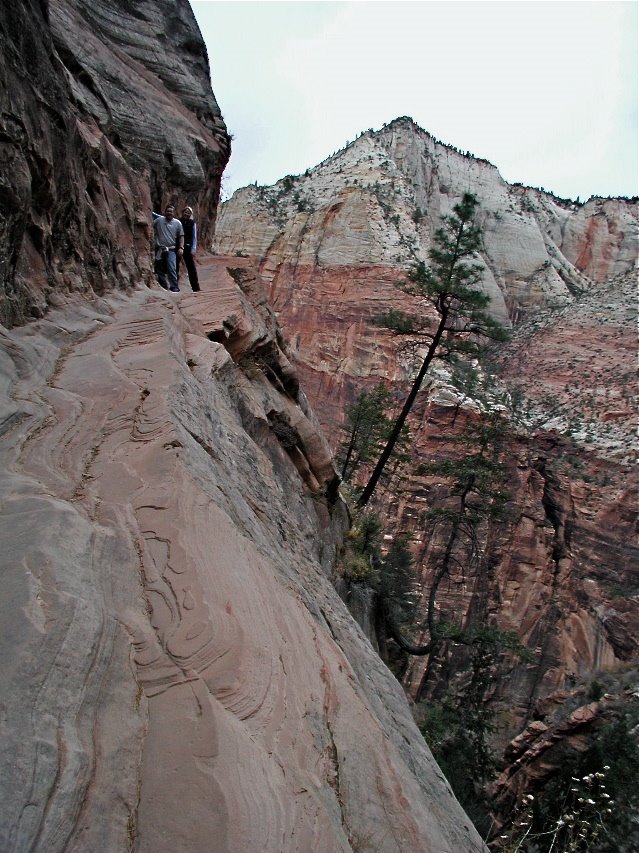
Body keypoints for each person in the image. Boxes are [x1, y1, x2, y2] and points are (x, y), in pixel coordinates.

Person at [152, 205, 184, 292]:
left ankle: (174, 286)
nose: (169, 213)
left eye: (171, 211)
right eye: (168, 211)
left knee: (172, 268)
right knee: (159, 268)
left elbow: (181, 236)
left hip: (171, 249)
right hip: (160, 249)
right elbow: (151, 226)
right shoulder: (159, 220)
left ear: (174, 213)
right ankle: (164, 285)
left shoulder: (178, 223)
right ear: (165, 212)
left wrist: (181, 247)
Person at [177, 206, 200, 292]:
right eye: (185, 212)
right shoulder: (178, 221)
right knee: (175, 265)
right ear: (183, 212)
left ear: (190, 214)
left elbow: (194, 237)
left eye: (188, 213)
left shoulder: (192, 223)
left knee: (191, 267)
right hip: (178, 246)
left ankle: (195, 287)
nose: (186, 214)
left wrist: (193, 248)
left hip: (187, 247)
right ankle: (175, 285)